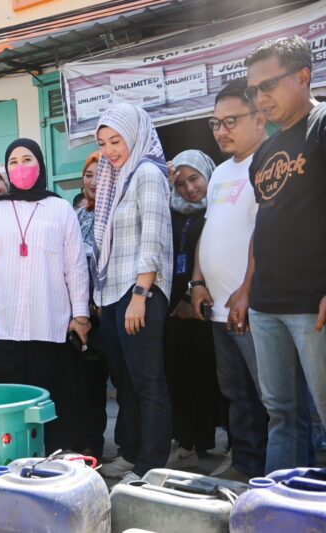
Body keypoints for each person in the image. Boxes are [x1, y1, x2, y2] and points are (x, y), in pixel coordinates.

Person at [239, 36, 326, 473]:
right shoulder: (265, 153)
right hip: (267, 306)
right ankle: (283, 509)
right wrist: (247, 290)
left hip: (314, 303)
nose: (260, 97)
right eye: (253, 90)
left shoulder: (322, 124)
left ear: (304, 76)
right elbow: (264, 225)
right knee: (282, 416)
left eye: (268, 85)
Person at [0, 138, 90, 454]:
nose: (20, 167)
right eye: (13, 162)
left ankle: (57, 462)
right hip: (3, 328)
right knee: (10, 404)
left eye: (27, 160)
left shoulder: (60, 209)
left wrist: (80, 316)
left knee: (54, 403)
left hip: (51, 326)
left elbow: (75, 266)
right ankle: (12, 463)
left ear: (40, 164)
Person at [189, 77, 269, 482]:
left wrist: (246, 290)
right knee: (237, 395)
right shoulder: (220, 173)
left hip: (253, 309)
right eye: (215, 122)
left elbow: (264, 232)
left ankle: (281, 475)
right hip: (220, 309)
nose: (222, 130)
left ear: (259, 118)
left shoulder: (270, 162)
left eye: (230, 121)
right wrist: (198, 282)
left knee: (272, 398)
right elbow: (211, 227)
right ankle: (246, 467)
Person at [92, 103, 173, 483]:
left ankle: (151, 463)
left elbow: (153, 236)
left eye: (116, 140)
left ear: (136, 134)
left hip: (139, 290)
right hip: (113, 294)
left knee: (147, 382)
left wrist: (141, 293)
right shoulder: (116, 176)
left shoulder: (148, 173)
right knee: (124, 384)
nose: (109, 150)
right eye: (103, 142)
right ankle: (130, 451)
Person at [162, 150, 220, 470]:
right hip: (173, 307)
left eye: (195, 179)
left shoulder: (218, 209)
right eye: (181, 183)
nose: (189, 189)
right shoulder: (170, 212)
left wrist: (189, 298)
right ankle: (186, 441)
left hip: (205, 304)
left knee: (210, 375)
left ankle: (216, 442)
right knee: (179, 374)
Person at [75, 151, 108, 459]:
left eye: (101, 173)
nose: (94, 181)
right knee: (87, 383)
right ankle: (90, 444)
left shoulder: (114, 210)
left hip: (109, 306)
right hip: (81, 309)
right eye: (89, 174)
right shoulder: (77, 214)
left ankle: (130, 446)